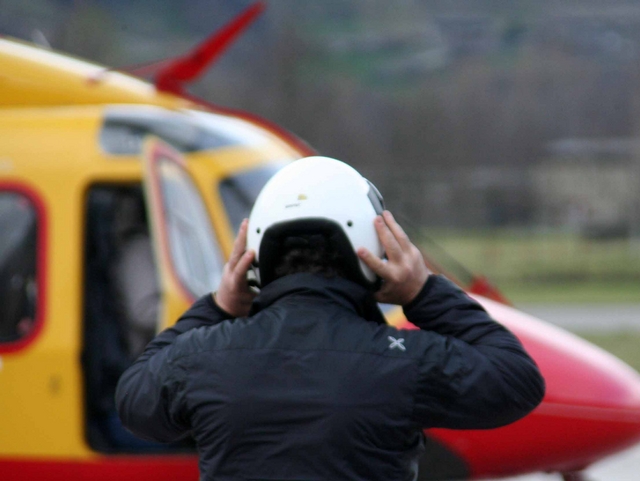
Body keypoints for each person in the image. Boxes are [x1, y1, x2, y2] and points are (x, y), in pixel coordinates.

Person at [116, 156, 545, 480]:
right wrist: (424, 291)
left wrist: (216, 307)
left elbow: (134, 401)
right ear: (372, 250)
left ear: (256, 260)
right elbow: (517, 381)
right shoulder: (401, 362)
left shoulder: (202, 355)